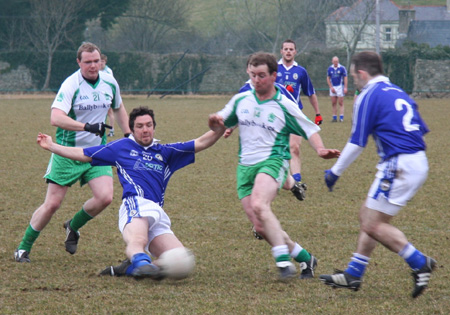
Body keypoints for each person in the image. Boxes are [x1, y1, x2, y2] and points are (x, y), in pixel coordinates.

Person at [35, 106, 225, 279]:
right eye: (140, 126)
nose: (145, 130)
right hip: (135, 205)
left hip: (157, 213)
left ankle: (131, 267)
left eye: (149, 125)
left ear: (154, 127)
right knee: (138, 240)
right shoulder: (121, 148)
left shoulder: (165, 152)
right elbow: (84, 154)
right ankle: (141, 263)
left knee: (180, 260)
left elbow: (200, 142)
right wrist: (51, 146)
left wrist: (220, 129)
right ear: (132, 130)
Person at [209, 52, 340, 280]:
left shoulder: (284, 104)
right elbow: (222, 121)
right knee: (261, 227)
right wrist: (214, 122)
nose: (256, 80)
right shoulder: (241, 100)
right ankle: (306, 258)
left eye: (261, 75)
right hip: (245, 167)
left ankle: (282, 261)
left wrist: (320, 150)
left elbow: (309, 128)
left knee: (261, 204)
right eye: (252, 75)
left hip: (273, 161)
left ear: (273, 76)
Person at [320, 51, 436, 298]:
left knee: (372, 223)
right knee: (368, 215)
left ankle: (419, 262)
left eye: (354, 76)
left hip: (399, 164)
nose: (354, 81)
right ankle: (354, 273)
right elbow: (420, 130)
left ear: (362, 73)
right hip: (416, 160)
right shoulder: (397, 91)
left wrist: (334, 172)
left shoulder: (368, 95)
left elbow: (357, 142)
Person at [14, 42, 132, 263]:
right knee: (52, 205)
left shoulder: (109, 82)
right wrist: (86, 126)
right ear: (79, 63)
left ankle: (73, 226)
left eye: (96, 61)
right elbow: (55, 118)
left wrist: (128, 138)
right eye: (88, 62)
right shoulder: (71, 84)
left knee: (105, 197)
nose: (93, 66)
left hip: (97, 152)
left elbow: (119, 107)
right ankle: (23, 248)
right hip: (67, 152)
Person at [275, 39, 322, 186]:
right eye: (286, 49)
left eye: (291, 49)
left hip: (294, 114)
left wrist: (318, 112)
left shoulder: (301, 71)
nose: (288, 51)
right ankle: (280, 177)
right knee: (278, 149)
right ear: (281, 51)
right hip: (275, 115)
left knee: (295, 148)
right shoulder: (273, 69)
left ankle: (297, 181)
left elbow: (310, 93)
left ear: (295, 52)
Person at [327, 56, 348, 122]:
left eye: (337, 61)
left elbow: (345, 78)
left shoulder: (342, 68)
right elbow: (328, 78)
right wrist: (331, 87)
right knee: (333, 102)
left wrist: (345, 87)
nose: (336, 63)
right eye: (334, 61)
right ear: (332, 61)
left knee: (340, 102)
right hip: (333, 87)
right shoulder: (330, 68)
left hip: (340, 87)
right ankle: (334, 117)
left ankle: (341, 117)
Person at [100, 54, 115, 137]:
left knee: (109, 112)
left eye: (103, 61)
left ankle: (111, 130)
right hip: (98, 95)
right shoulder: (96, 70)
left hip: (106, 95)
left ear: (105, 62)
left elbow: (111, 84)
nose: (101, 63)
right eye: (100, 61)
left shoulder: (108, 71)